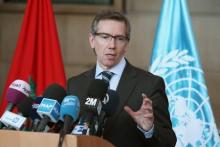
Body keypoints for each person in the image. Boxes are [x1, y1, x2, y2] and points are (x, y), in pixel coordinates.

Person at [67, 10, 176, 147]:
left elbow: (169, 142)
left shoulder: (150, 84)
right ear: (92, 40)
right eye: (105, 37)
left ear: (126, 44)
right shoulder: (75, 84)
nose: (112, 45)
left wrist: (148, 129)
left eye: (119, 38)